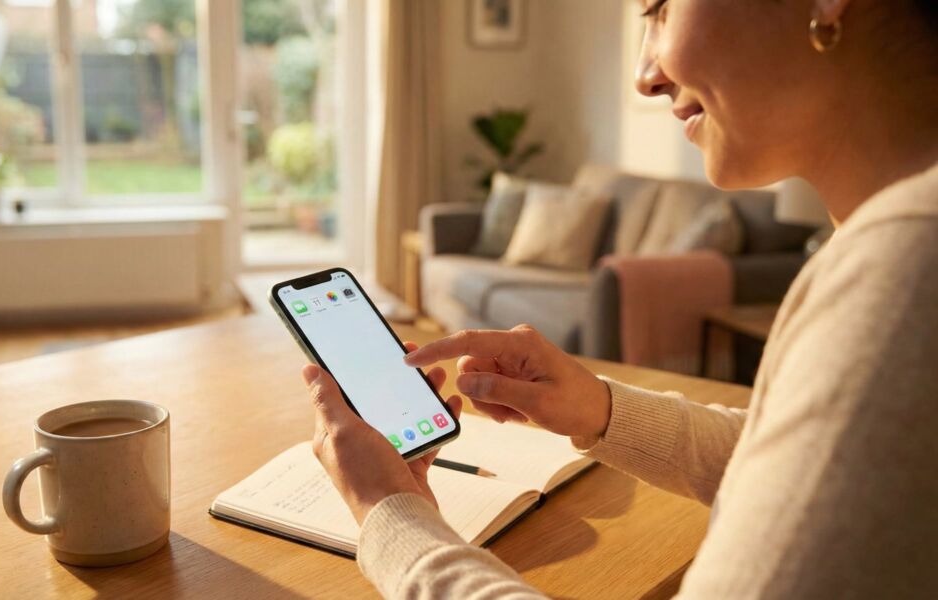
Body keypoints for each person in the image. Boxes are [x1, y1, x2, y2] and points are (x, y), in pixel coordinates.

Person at [301, 0, 938, 596]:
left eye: (660, 8)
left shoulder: (907, 265)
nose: (643, 75)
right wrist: (598, 409)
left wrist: (390, 516)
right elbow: (808, 467)